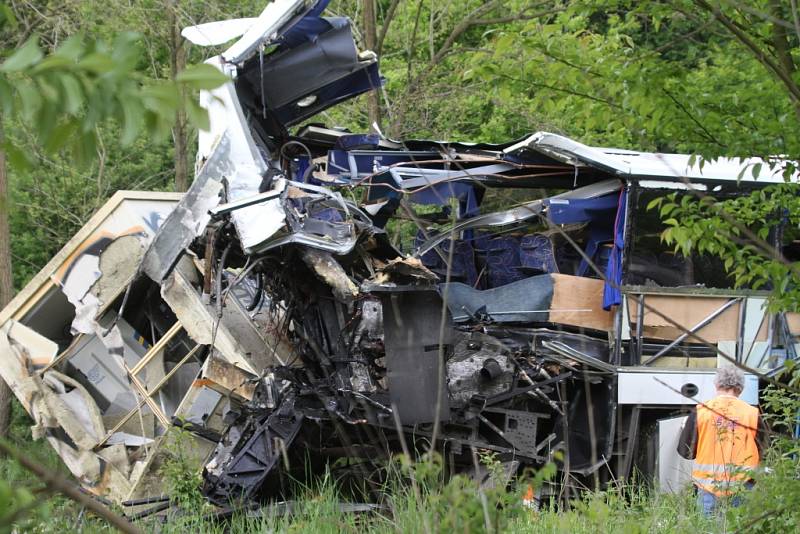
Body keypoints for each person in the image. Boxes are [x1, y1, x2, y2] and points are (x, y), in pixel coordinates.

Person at [677, 366, 767, 516]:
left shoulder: (701, 411)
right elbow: (764, 450)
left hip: (708, 487)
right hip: (742, 485)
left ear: (716, 385)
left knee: (709, 529)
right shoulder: (752, 413)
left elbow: (685, 451)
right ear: (740, 388)